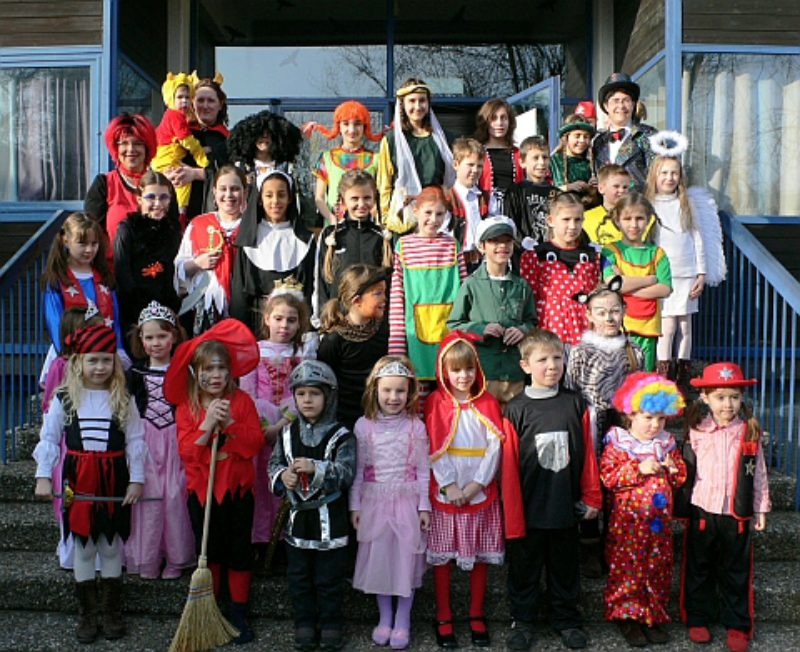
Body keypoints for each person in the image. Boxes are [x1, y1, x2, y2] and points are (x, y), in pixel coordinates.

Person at [33, 324, 146, 644]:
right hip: (78, 479)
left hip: (113, 478)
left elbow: (136, 441)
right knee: (83, 545)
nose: (100, 367)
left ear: (115, 363)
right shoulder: (65, 399)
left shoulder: (123, 398)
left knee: (111, 544)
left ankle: (111, 612)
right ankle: (87, 614)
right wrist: (43, 475)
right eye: (93, 360)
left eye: (106, 360)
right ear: (78, 362)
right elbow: (50, 439)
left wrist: (136, 479)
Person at [502, 328, 602, 652]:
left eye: (558, 358)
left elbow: (587, 454)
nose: (552, 365)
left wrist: (591, 497)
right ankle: (523, 620)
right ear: (525, 365)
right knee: (524, 569)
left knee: (564, 568)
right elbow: (508, 465)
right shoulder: (516, 409)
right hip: (529, 509)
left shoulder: (575, 404)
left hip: (564, 506)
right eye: (542, 359)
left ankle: (567, 619)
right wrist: (513, 515)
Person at [165, 319, 263, 644]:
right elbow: (187, 453)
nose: (215, 376)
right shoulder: (187, 407)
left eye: (221, 368)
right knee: (210, 550)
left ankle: (238, 611)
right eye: (207, 369)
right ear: (195, 372)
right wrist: (207, 425)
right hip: (202, 491)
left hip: (237, 490)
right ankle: (213, 608)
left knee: (238, 550)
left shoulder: (243, 402)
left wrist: (230, 424)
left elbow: (254, 444)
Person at [680, 362, 770, 652]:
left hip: (737, 514)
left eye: (734, 396)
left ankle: (737, 624)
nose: (728, 404)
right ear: (705, 397)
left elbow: (758, 473)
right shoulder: (696, 431)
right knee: (699, 568)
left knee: (736, 571)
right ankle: (697, 618)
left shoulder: (748, 432)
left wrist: (761, 508)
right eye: (720, 397)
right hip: (703, 511)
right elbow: (685, 472)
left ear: (741, 398)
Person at [425, 331, 507, 649]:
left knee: (480, 555)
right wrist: (451, 485)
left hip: (479, 489)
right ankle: (444, 613)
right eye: (456, 370)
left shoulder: (486, 402)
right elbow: (434, 447)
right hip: (448, 489)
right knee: (443, 558)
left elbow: (494, 447)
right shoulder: (436, 402)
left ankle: (476, 612)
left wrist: (476, 485)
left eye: (469, 369)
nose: (463, 376)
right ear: (444, 371)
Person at [268, 360, 356, 652]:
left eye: (315, 394)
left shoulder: (342, 435)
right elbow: (274, 464)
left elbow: (346, 473)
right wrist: (284, 476)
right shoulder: (285, 433)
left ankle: (330, 625)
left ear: (328, 397)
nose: (307, 400)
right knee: (299, 578)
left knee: (329, 579)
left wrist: (316, 468)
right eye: (302, 393)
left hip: (330, 519)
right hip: (298, 521)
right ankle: (304, 624)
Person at [601, 371, 687, 647]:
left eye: (661, 418)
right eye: (647, 417)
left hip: (659, 526)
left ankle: (652, 614)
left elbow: (681, 475)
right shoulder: (619, 443)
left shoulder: (666, 444)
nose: (654, 425)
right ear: (630, 414)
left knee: (658, 568)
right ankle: (628, 616)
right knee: (629, 569)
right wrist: (638, 468)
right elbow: (608, 476)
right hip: (628, 524)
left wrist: (674, 471)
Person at [350, 355, 430, 650]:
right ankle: (385, 617)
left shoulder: (415, 426)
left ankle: (403, 619)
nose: (393, 397)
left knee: (404, 563)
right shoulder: (363, 425)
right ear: (375, 390)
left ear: (410, 393)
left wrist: (424, 506)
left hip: (407, 502)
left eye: (400, 391)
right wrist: (354, 506)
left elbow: (423, 469)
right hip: (374, 502)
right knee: (381, 562)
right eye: (387, 390)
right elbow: (358, 469)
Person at [566, 277, 643, 578]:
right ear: (589, 315)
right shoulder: (579, 351)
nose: (609, 318)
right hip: (590, 422)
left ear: (624, 311)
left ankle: (618, 545)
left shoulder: (634, 349)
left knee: (622, 483)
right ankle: (588, 547)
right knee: (591, 484)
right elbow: (572, 392)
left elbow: (640, 389)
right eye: (601, 312)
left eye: (615, 311)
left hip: (624, 424)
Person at [239, 287, 317, 568]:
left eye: (292, 320)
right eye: (279, 318)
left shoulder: (303, 354)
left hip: (290, 426)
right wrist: (263, 427)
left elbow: (303, 391)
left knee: (289, 481)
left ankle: (285, 539)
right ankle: (260, 541)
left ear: (300, 323)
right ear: (267, 319)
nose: (285, 326)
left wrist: (282, 424)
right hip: (260, 426)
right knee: (262, 482)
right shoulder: (255, 352)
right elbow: (247, 392)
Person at [124, 302, 193, 580]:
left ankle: (176, 557)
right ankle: (148, 557)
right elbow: (129, 408)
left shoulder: (184, 371)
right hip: (145, 438)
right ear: (140, 339)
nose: (156, 343)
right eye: (149, 337)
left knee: (175, 496)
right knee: (149, 497)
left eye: (162, 336)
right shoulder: (135, 374)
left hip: (177, 436)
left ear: (174, 336)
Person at [447, 215, 537, 407]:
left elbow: (532, 321)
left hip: (514, 370)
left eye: (507, 241)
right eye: (494, 241)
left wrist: (522, 330)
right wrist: (481, 329)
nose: (502, 246)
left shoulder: (521, 285)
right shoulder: (471, 284)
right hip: (483, 370)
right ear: (482, 246)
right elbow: (454, 325)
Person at [388, 186, 467, 386]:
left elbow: (465, 292)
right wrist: (397, 346)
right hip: (415, 335)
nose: (434, 219)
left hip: (448, 332)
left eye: (440, 214)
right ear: (416, 211)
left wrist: (465, 334)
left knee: (448, 389)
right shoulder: (404, 247)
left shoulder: (452, 245)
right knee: (418, 393)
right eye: (428, 213)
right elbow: (397, 297)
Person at [230, 169, 316, 333]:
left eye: (281, 195)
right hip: (255, 322)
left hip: (291, 325)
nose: (275, 201)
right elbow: (239, 293)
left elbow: (310, 289)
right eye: (269, 195)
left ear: (290, 199)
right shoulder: (249, 238)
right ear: (260, 199)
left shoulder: (305, 240)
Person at [646, 153, 706, 386]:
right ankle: (663, 373)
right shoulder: (649, 204)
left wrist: (701, 273)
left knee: (685, 326)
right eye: (664, 173)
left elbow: (697, 237)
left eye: (674, 173)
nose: (669, 178)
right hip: (664, 274)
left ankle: (683, 372)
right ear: (655, 175)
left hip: (688, 272)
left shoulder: (686, 203)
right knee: (667, 325)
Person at [41, 212, 127, 374]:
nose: (89, 249)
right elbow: (56, 321)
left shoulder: (105, 276)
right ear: (66, 241)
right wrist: (66, 353)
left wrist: (119, 349)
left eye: (94, 244)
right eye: (82, 243)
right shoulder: (57, 279)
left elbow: (114, 319)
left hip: (104, 356)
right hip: (70, 355)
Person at [601, 193, 672, 371]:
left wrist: (626, 287)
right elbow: (613, 284)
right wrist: (649, 279)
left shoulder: (657, 254)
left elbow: (664, 288)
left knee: (643, 381)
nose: (634, 224)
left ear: (648, 220)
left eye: (639, 218)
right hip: (617, 328)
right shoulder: (610, 251)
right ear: (617, 221)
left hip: (648, 328)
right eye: (627, 219)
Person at [173, 165, 247, 335]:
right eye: (223, 189)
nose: (228, 195)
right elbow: (178, 271)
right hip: (206, 310)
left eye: (235, 189)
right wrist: (197, 263)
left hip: (242, 309)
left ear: (244, 192)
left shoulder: (251, 228)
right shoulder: (198, 225)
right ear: (214, 191)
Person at [520, 192, 599, 348]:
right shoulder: (536, 254)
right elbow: (529, 296)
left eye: (577, 220)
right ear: (550, 220)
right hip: (549, 325)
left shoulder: (591, 255)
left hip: (584, 327)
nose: (572, 226)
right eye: (566, 220)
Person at [377, 78, 455, 237]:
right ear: (402, 105)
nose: (417, 106)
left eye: (422, 101)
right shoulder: (391, 140)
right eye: (412, 101)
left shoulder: (444, 139)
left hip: (437, 219)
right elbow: (384, 183)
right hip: (405, 219)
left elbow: (452, 180)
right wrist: (385, 219)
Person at [313, 169, 393, 321]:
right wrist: (320, 321)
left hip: (375, 324)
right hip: (339, 321)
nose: (361, 204)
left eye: (367, 198)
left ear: (374, 198)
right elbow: (321, 282)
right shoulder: (331, 235)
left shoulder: (383, 237)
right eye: (354, 198)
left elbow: (390, 283)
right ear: (343, 200)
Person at [317, 265, 390, 430]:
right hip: (345, 420)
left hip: (378, 416)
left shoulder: (384, 329)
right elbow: (325, 383)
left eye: (384, 292)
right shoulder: (334, 340)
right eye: (377, 293)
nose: (384, 298)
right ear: (357, 300)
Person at [113, 170, 181, 337]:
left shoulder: (172, 231)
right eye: (151, 197)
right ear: (139, 199)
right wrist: (145, 315)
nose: (158, 204)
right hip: (135, 314)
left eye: (164, 197)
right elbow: (123, 276)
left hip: (167, 312)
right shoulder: (126, 229)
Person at [84, 113, 158, 248]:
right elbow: (91, 235)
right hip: (112, 267)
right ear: (116, 148)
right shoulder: (104, 184)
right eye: (124, 143)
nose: (131, 149)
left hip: (153, 267)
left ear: (147, 148)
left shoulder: (161, 185)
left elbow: (172, 234)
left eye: (137, 143)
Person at [304, 100, 382, 225]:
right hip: (335, 228)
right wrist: (332, 218)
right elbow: (319, 197)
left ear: (364, 127)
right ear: (338, 127)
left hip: (367, 228)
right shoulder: (327, 158)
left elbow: (381, 195)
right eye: (346, 124)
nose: (351, 130)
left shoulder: (376, 159)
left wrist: (374, 216)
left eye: (357, 124)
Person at [164, 74, 230, 221]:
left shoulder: (228, 140)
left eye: (211, 101)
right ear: (192, 103)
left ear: (220, 104)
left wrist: (195, 174)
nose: (205, 106)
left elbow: (233, 177)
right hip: (175, 211)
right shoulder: (179, 133)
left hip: (212, 212)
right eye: (200, 100)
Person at [151, 72, 209, 217]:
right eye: (180, 97)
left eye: (187, 98)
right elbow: (186, 140)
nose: (184, 101)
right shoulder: (175, 115)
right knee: (181, 181)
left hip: (166, 156)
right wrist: (201, 154)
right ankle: (180, 212)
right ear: (171, 99)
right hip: (166, 156)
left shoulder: (178, 115)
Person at [591, 73, 657, 191]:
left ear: (633, 105)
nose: (621, 106)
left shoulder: (648, 135)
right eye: (615, 101)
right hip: (607, 208)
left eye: (626, 100)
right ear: (606, 106)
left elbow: (657, 177)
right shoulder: (598, 142)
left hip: (638, 206)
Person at [505, 135, 557, 249]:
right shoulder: (515, 192)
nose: (541, 162)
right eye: (535, 158)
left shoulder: (556, 193)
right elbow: (510, 223)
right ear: (522, 162)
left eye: (545, 157)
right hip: (523, 254)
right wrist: (523, 242)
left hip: (552, 254)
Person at [473, 98, 524, 214]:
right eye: (494, 118)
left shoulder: (519, 153)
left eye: (503, 118)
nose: (499, 123)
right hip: (486, 213)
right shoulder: (476, 153)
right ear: (485, 122)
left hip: (516, 212)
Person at [445, 137, 488, 272]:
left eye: (479, 166)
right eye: (470, 165)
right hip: (455, 262)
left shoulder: (486, 198)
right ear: (456, 164)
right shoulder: (447, 199)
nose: (475, 170)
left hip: (481, 261)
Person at [550, 115, 599, 209]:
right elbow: (544, 192)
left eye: (586, 137)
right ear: (566, 138)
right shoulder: (554, 162)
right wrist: (567, 188)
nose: (582, 140)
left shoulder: (592, 162)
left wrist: (594, 189)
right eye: (577, 136)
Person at [582, 164, 635, 246]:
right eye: (616, 186)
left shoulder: (636, 217)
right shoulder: (586, 218)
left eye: (625, 187)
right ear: (601, 188)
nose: (621, 190)